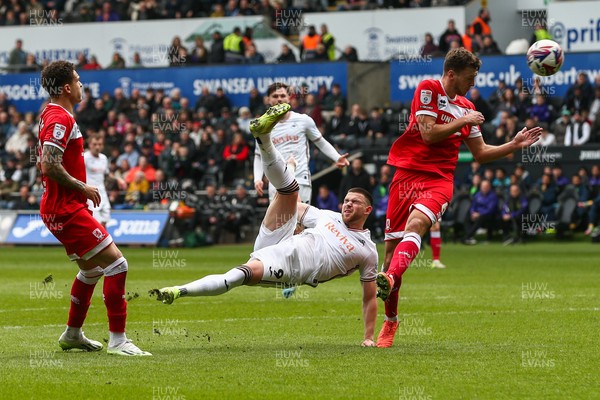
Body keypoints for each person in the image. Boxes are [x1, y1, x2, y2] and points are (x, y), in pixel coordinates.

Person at [151, 103, 378, 347]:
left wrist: (368, 338)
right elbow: (295, 204)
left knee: (241, 275)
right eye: (345, 200)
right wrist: (290, 169)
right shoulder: (327, 216)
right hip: (282, 239)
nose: (347, 204)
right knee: (289, 190)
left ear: (367, 210)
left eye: (354, 202)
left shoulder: (367, 250)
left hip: (294, 268)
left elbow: (369, 297)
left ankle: (178, 290)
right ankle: (264, 137)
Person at [376, 48, 542, 348]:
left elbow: (480, 154)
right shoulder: (429, 89)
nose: (472, 84)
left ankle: (389, 281)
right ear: (451, 74)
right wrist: (463, 120)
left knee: (415, 226)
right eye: (469, 78)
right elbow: (428, 133)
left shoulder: (467, 105)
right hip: (406, 175)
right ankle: (390, 321)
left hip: (439, 180)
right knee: (388, 254)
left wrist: (513, 145)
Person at [37, 61, 150, 356]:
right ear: (66, 88)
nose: (81, 84)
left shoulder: (53, 114)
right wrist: (82, 187)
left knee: (91, 271)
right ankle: (118, 339)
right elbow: (48, 164)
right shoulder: (60, 118)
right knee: (118, 264)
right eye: (77, 80)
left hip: (62, 207)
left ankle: (73, 334)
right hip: (66, 208)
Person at [253, 82, 349, 204]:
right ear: (268, 99)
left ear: (289, 98)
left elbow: (321, 142)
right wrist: (257, 179)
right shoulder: (262, 126)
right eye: (275, 96)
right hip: (276, 182)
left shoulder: (303, 120)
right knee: (279, 222)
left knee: (300, 221)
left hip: (300, 179)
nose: (279, 99)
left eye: (282, 95)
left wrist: (337, 157)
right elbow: (258, 155)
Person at [84, 135, 111, 227]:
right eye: (95, 144)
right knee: (96, 223)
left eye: (100, 144)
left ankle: (105, 241)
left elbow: (107, 174)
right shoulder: (84, 157)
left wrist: (119, 180)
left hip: (102, 192)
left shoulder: (104, 158)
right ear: (90, 144)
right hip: (90, 194)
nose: (97, 147)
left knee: (105, 220)